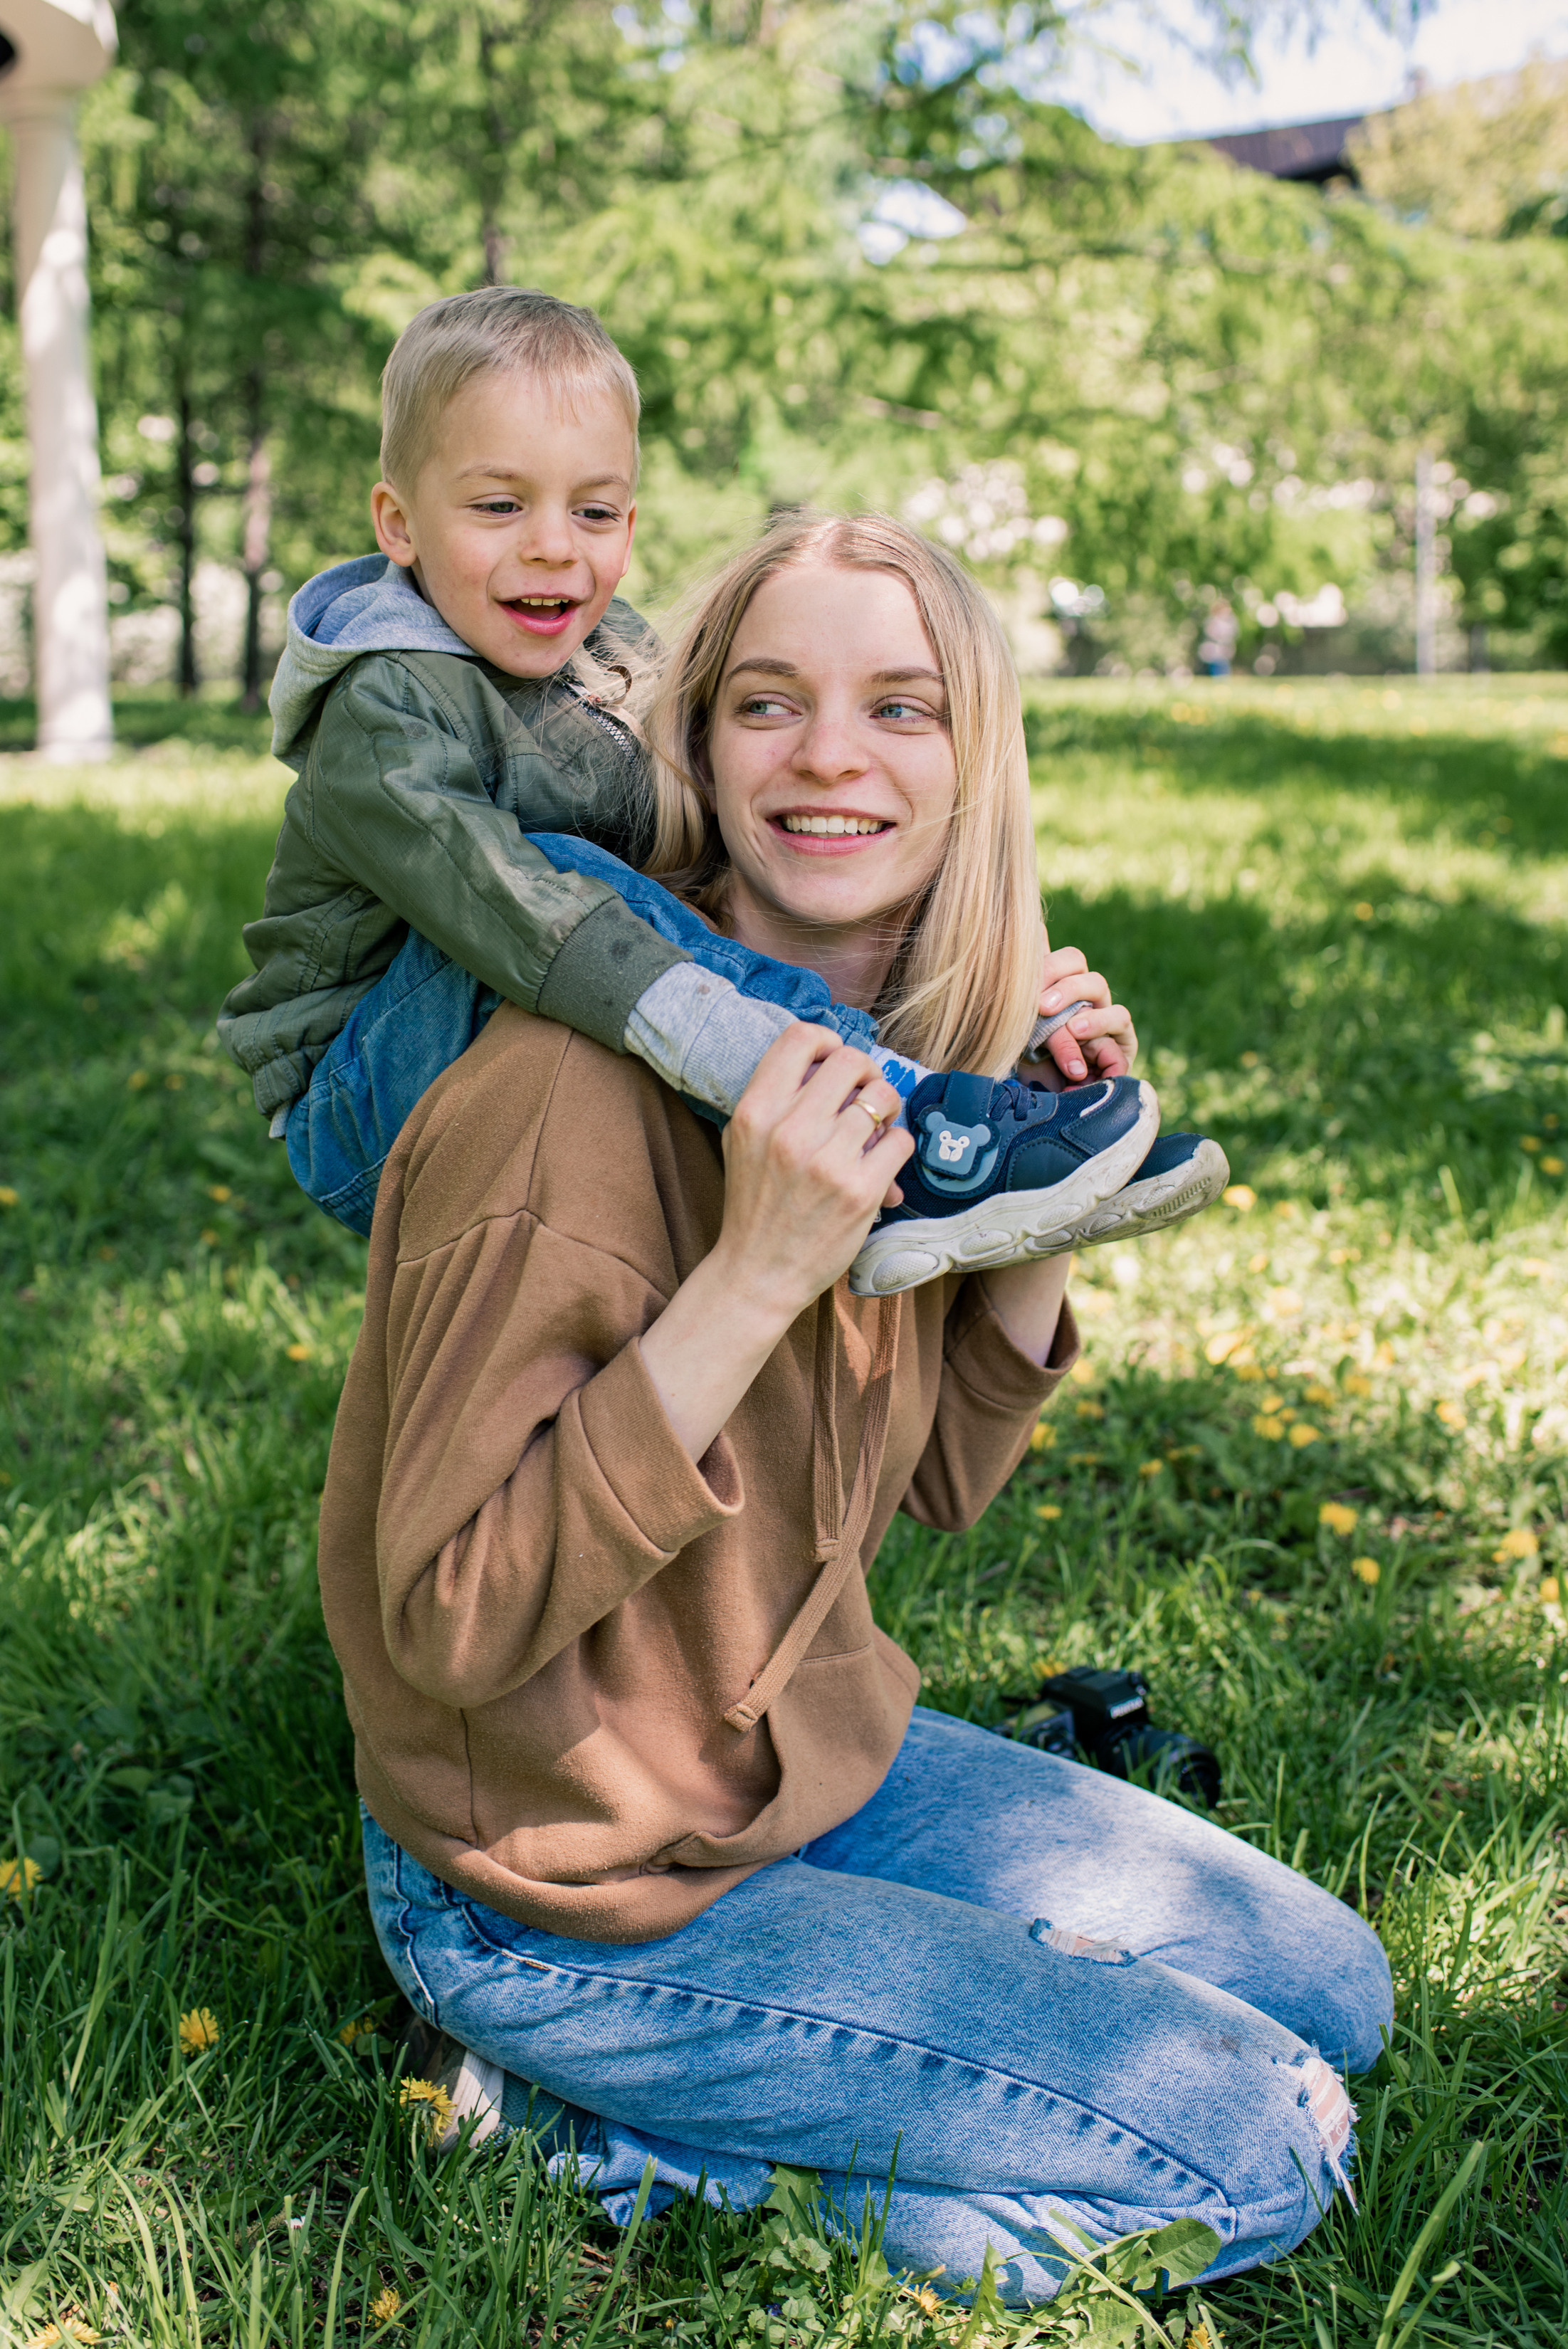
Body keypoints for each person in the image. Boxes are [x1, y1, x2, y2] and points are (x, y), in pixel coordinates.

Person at [319, 511, 1392, 2308]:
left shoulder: (898, 1080)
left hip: (802, 1768)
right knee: (1266, 2141)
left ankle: (867, 2037)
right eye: (767, 704)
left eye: (901, 707)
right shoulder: (552, 1108)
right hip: (561, 1885)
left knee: (1332, 1988)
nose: (832, 757)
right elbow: (443, 1623)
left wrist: (1049, 1215)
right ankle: (572, 2123)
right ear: (696, 747)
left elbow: (941, 1492)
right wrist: (751, 1276)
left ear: (970, 762)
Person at [219, 285, 1228, 1291]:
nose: (554, 545)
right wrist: (784, 1055)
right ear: (398, 525)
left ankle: (971, 1116)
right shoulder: (381, 713)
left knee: (612, 892)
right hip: (362, 1091)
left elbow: (709, 855)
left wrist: (1010, 1015)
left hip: (509, 1010)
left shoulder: (604, 663)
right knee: (561, 873)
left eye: (595, 510)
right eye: (498, 505)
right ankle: (884, 1106)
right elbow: (508, 907)